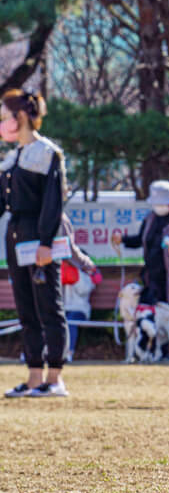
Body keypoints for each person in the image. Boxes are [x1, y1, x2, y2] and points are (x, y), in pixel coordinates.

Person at [0, 89, 70, 397]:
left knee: (48, 307)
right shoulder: (11, 158)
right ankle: (33, 377)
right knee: (25, 308)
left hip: (39, 236)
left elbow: (53, 202)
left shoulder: (47, 153)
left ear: (22, 117)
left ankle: (54, 378)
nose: (1, 124)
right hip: (14, 235)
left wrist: (45, 242)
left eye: (3, 117)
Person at [111, 180, 169, 356]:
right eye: (155, 204)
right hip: (153, 277)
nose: (158, 207)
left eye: (161, 203)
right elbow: (139, 240)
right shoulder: (150, 219)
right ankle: (158, 352)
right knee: (153, 316)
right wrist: (123, 240)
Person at [60, 239, 102, 361]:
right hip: (63, 308)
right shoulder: (63, 270)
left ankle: (68, 353)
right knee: (53, 320)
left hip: (80, 310)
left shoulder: (86, 274)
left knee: (70, 321)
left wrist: (76, 275)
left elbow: (84, 290)